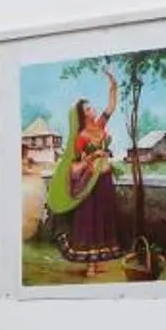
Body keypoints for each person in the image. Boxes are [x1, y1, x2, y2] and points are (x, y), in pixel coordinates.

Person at [42, 67, 130, 267]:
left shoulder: (100, 126)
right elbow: (80, 163)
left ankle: (99, 262)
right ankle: (90, 265)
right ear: (83, 115)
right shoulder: (81, 137)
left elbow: (111, 107)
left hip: (106, 177)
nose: (93, 110)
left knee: (105, 216)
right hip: (91, 181)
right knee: (91, 218)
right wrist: (95, 154)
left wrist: (113, 86)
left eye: (91, 107)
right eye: (88, 109)